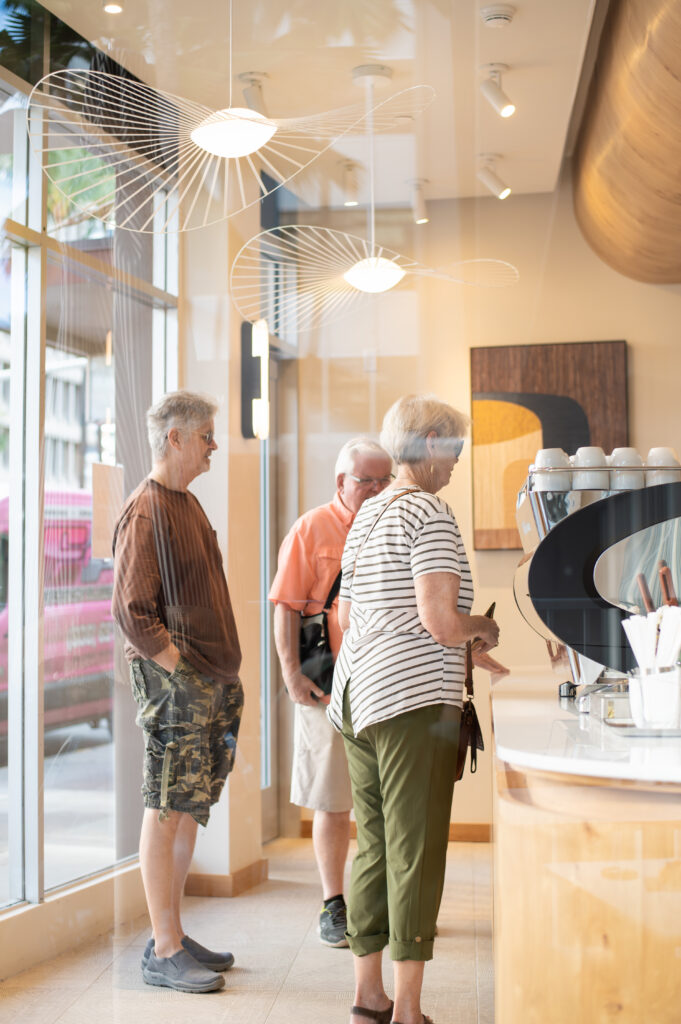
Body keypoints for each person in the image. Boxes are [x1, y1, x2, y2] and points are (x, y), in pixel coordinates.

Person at [327, 395, 501, 1024]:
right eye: (454, 448)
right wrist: (481, 629)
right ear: (431, 441)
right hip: (409, 706)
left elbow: (361, 615)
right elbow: (437, 619)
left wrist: (463, 646)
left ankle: (369, 996)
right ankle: (409, 1012)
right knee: (417, 848)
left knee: (373, 845)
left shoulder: (369, 513)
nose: (456, 462)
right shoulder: (429, 510)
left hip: (359, 698)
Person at [112, 390, 243, 994]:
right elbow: (134, 615)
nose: (214, 446)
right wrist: (182, 673)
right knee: (166, 808)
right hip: (177, 686)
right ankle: (163, 949)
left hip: (210, 681)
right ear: (176, 438)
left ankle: (173, 932)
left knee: (188, 807)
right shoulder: (146, 510)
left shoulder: (186, 504)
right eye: (208, 435)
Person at [269, 437, 394, 947]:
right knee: (332, 798)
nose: (377, 488)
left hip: (385, 683)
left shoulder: (394, 521)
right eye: (366, 480)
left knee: (385, 800)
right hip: (326, 683)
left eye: (385, 479)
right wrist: (291, 673)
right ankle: (333, 902)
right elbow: (285, 605)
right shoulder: (310, 528)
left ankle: (385, 901)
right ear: (340, 482)